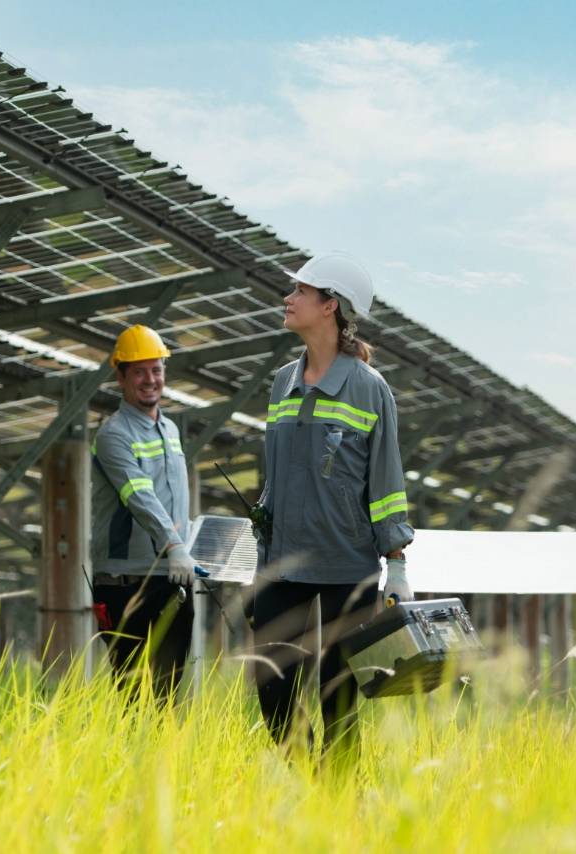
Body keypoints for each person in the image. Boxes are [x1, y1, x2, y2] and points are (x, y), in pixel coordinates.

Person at [251, 251, 414, 767]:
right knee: (272, 683)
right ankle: (297, 778)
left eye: (301, 291)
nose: (288, 298)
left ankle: (340, 798)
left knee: (336, 692)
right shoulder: (283, 382)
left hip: (348, 564)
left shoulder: (369, 389)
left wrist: (398, 565)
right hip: (283, 560)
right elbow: (276, 475)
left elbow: (386, 483)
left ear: (330, 307)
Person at [90, 324, 197, 700]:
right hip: (127, 584)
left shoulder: (169, 429)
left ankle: (163, 761)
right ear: (120, 376)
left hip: (172, 578)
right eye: (139, 371)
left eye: (156, 369)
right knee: (134, 696)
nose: (150, 380)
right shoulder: (113, 435)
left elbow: (173, 500)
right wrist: (175, 545)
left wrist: (190, 539)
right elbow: (140, 496)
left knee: (169, 695)